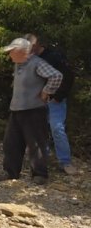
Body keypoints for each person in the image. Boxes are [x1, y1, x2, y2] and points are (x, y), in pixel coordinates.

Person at [0, 37, 63, 185]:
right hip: (17, 110)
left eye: (12, 51)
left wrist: (47, 91)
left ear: (22, 52)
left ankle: (40, 175)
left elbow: (56, 75)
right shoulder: (19, 64)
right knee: (11, 143)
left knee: (36, 143)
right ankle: (11, 172)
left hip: (34, 110)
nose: (10, 55)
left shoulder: (37, 63)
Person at [25, 33, 77, 175]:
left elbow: (68, 76)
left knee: (57, 128)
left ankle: (65, 162)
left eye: (31, 46)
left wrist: (58, 96)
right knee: (38, 130)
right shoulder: (30, 60)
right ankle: (41, 160)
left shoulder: (54, 57)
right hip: (37, 101)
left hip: (55, 100)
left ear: (38, 45)